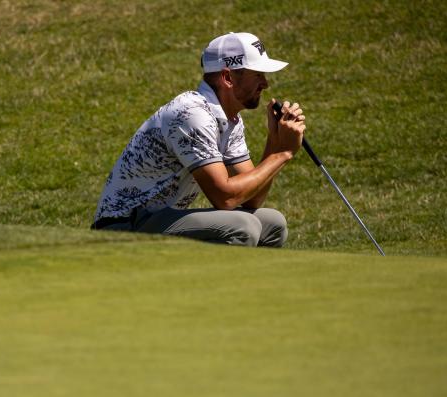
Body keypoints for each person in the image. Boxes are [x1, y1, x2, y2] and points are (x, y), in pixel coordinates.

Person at [92, 32, 306, 247]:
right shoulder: (192, 114)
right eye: (257, 74)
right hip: (123, 226)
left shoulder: (229, 119)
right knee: (243, 226)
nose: (265, 84)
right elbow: (226, 198)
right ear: (228, 77)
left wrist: (275, 141)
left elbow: (251, 198)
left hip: (158, 219)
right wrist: (283, 153)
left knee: (272, 223)